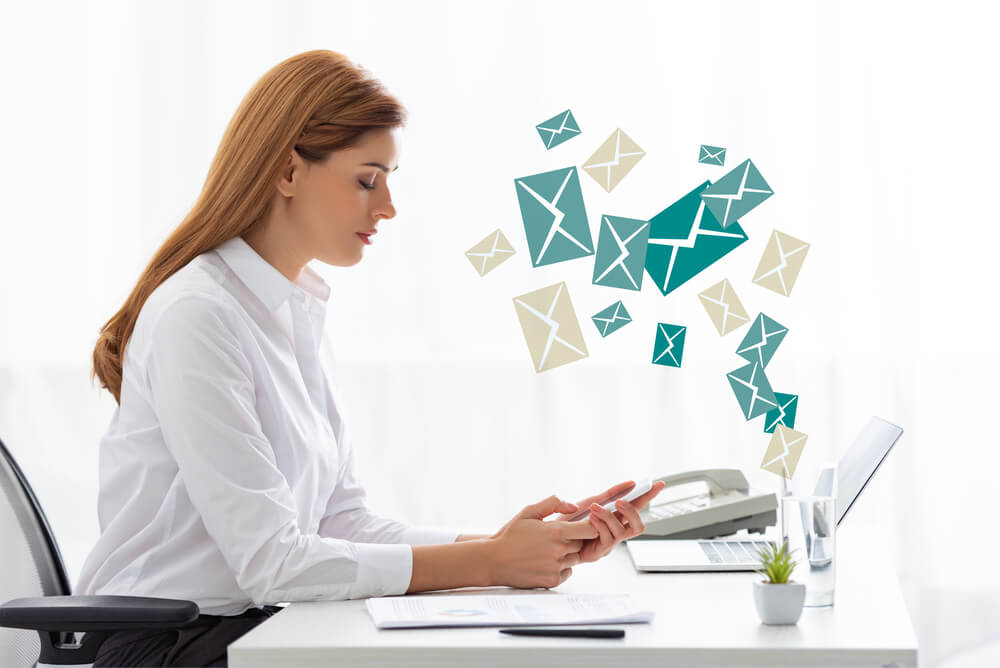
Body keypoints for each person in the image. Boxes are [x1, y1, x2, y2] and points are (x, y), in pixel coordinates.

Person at [79, 49, 666, 667]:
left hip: (258, 627)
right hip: (171, 644)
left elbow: (343, 523)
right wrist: (490, 561)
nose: (387, 207)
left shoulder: (290, 309)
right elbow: (272, 564)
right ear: (287, 172)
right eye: (367, 179)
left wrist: (515, 547)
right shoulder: (199, 315)